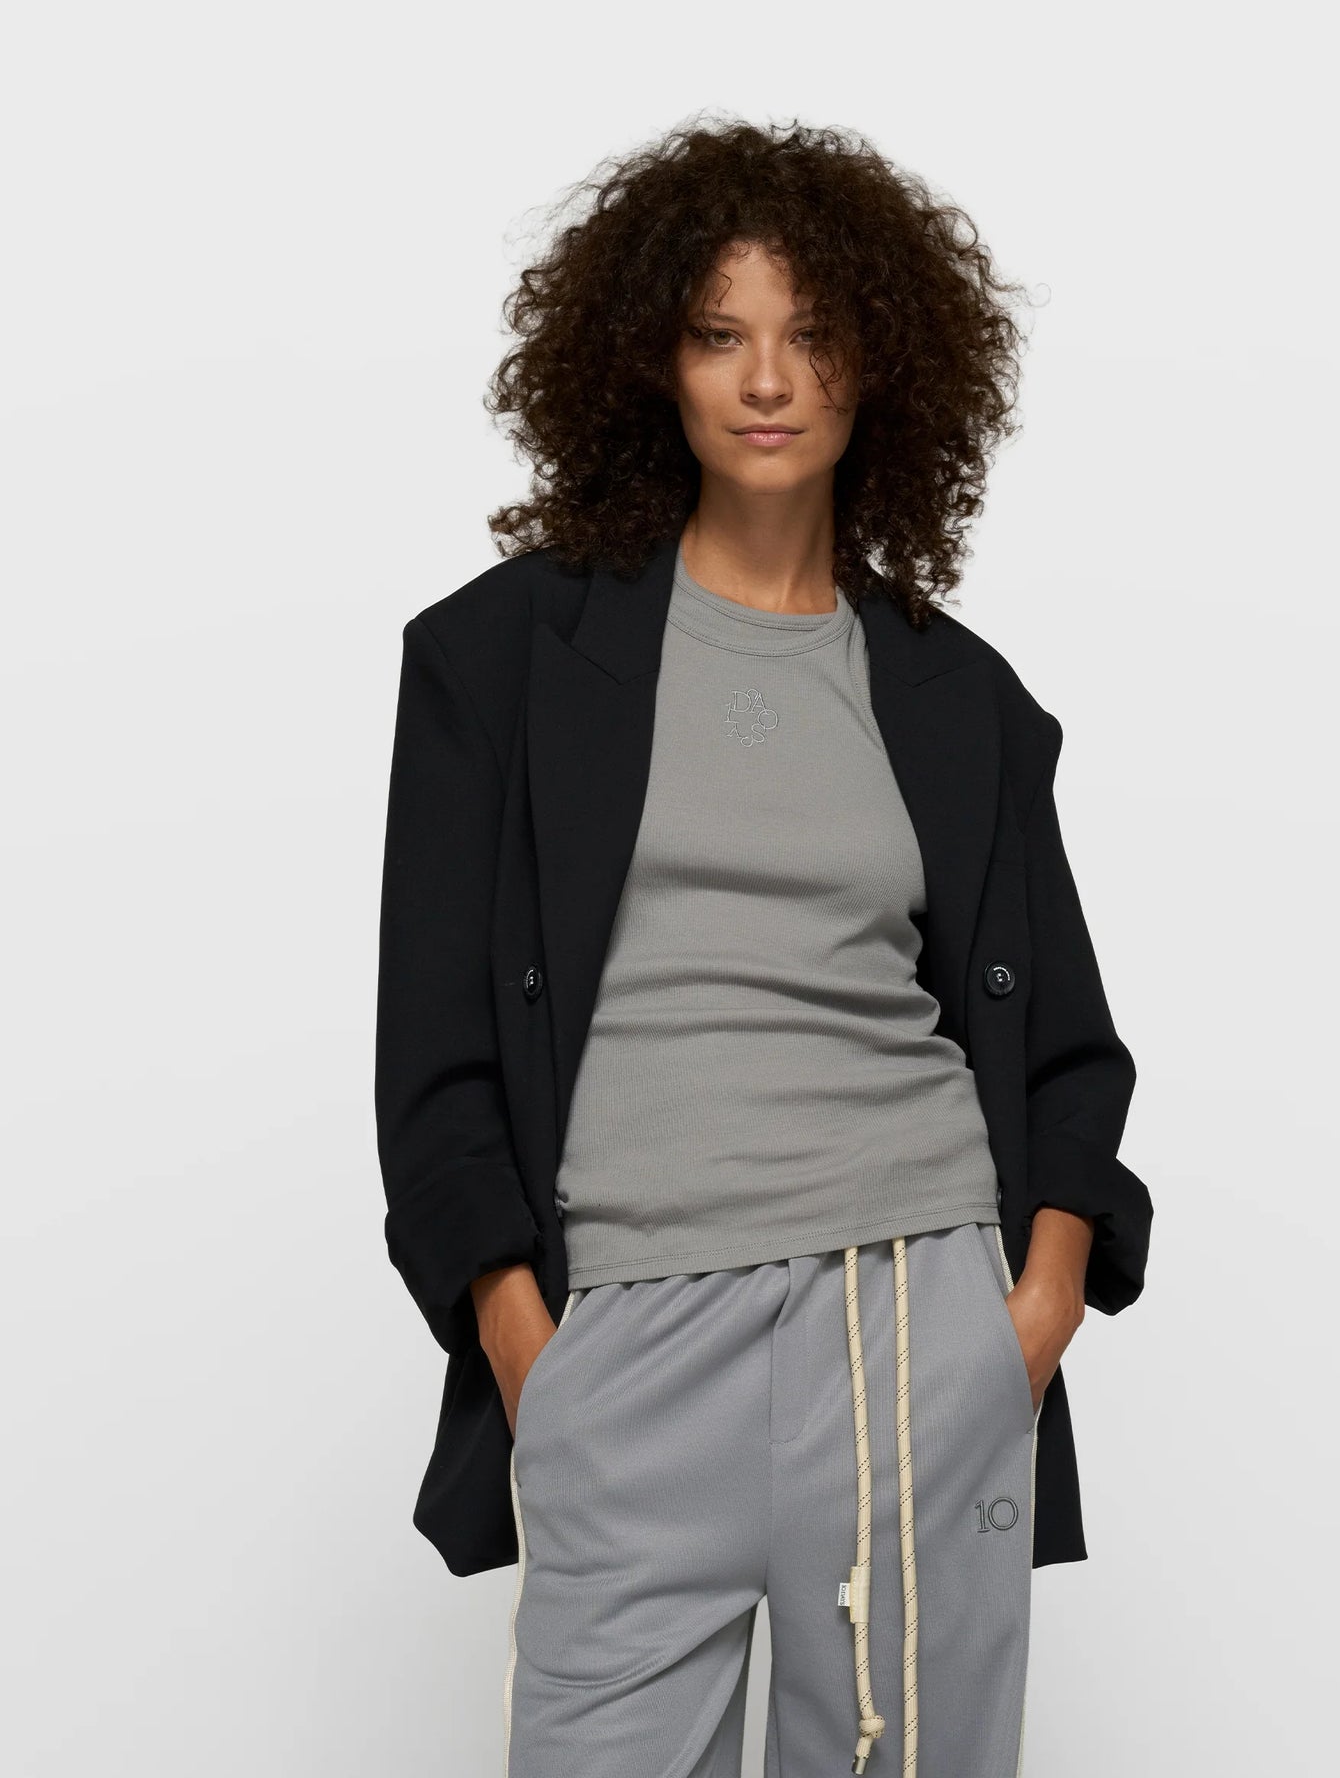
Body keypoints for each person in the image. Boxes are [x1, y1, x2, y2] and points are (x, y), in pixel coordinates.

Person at [375, 116, 1152, 1778]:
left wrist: (1025, 1322)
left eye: (815, 334)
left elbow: (1070, 1053)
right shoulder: (501, 660)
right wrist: (527, 1352)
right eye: (720, 334)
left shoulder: (961, 700)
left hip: (911, 1319)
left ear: (888, 365)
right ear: (649, 361)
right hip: (623, 1347)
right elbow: (434, 1061)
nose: (770, 379)